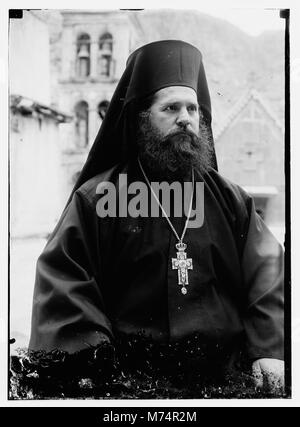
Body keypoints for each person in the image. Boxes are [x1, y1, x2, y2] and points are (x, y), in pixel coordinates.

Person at [29, 40, 284, 393]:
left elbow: (268, 275)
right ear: (142, 119)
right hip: (129, 382)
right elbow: (65, 285)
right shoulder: (97, 199)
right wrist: (97, 370)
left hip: (224, 379)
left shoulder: (231, 200)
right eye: (171, 108)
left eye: (193, 109)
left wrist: (269, 348)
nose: (186, 119)